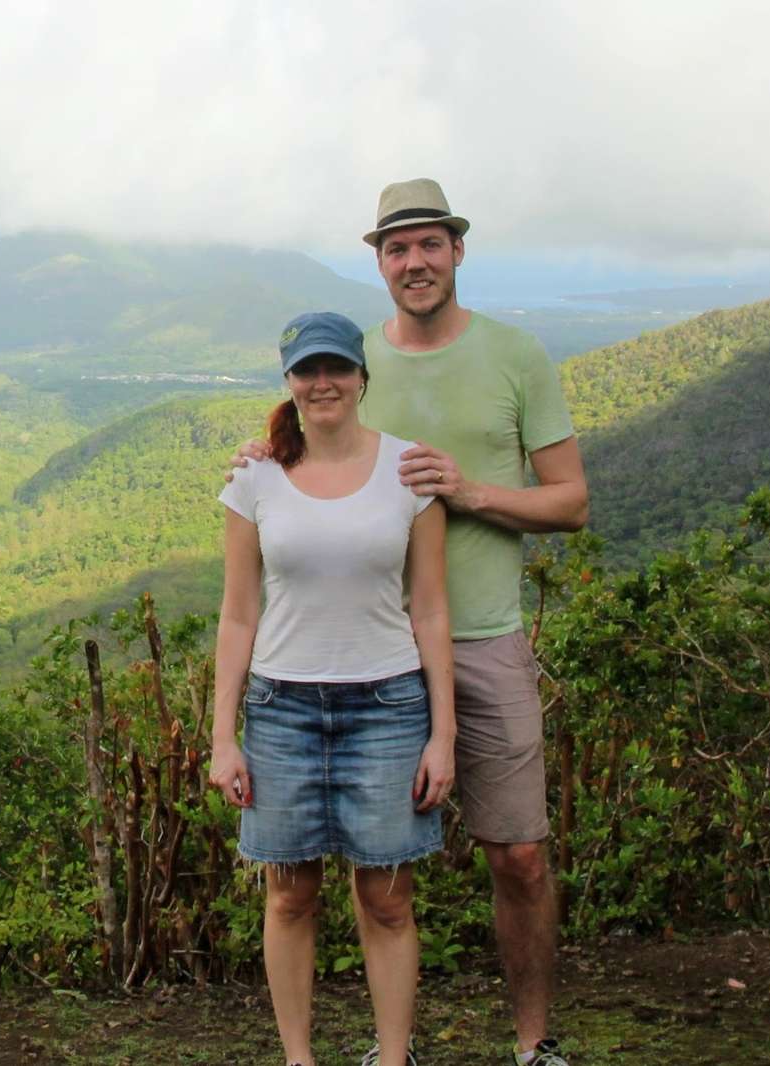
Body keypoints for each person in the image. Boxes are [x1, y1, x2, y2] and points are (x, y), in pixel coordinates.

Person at [234, 180, 588, 1066]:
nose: (415, 262)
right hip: (369, 661)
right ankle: (390, 1048)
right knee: (375, 875)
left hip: (483, 634)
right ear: (379, 262)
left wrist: (468, 491)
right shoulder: (355, 361)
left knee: (518, 855)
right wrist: (255, 454)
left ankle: (533, 1044)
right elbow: (306, 449)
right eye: (397, 248)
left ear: (458, 251)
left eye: (429, 244)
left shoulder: (517, 355)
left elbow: (572, 502)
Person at [210, 311, 456, 1066]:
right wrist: (223, 737)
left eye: (337, 369)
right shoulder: (254, 479)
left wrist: (442, 733)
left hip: (386, 706)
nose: (323, 383)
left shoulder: (408, 472)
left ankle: (391, 1056)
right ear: (289, 382)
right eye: (307, 370)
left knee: (386, 900)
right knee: (289, 896)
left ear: (361, 377)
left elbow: (431, 607)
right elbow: (238, 613)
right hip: (282, 709)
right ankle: (298, 1057)